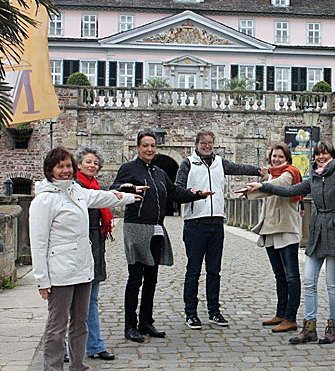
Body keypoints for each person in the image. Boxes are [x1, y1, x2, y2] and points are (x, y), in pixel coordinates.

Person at [29, 147, 140, 371]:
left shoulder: (77, 191)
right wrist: (42, 280)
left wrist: (130, 197)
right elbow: (38, 243)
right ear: (50, 169)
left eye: (68, 166)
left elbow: (102, 196)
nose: (65, 170)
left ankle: (78, 365)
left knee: (80, 323)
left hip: (82, 268)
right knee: (57, 326)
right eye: (60, 166)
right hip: (60, 272)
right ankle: (53, 367)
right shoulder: (44, 200)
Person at [244, 141, 335, 345]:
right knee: (309, 281)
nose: (321, 157)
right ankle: (309, 328)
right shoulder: (314, 176)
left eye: (325, 154)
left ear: (332, 155)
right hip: (317, 231)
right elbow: (291, 190)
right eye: (318, 154)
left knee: (332, 283)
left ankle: (333, 328)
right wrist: (262, 185)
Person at [111, 130, 212, 343]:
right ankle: (130, 325)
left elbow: (174, 192)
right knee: (135, 279)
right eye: (145, 145)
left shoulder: (158, 172)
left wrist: (196, 194)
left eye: (152, 146)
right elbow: (115, 189)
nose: (149, 149)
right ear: (138, 147)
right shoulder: (128, 169)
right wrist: (127, 188)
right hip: (137, 228)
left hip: (157, 228)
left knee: (152, 278)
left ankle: (146, 321)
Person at [176, 130, 264, 329]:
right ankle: (191, 313)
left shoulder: (219, 163)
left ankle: (214, 311)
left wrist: (258, 171)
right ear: (196, 144)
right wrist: (195, 194)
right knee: (193, 271)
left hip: (216, 223)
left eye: (210, 143)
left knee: (214, 271)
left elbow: (238, 168)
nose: (207, 146)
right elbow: (178, 190)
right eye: (203, 143)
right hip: (195, 223)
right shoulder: (188, 164)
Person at [240, 142, 303, 333]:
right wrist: (251, 190)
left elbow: (279, 185)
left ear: (287, 159)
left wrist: (261, 184)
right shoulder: (270, 177)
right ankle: (281, 313)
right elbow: (265, 190)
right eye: (274, 156)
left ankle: (291, 317)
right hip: (270, 230)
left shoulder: (290, 173)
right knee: (280, 276)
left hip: (286, 229)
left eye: (280, 157)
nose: (276, 159)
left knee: (291, 276)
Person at [72, 146, 116, 361]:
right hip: (78, 247)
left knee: (92, 299)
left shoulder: (96, 187)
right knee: (70, 301)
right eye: (88, 162)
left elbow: (110, 199)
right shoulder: (74, 187)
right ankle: (68, 347)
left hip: (95, 246)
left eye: (96, 163)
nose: (92, 166)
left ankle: (94, 345)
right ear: (78, 164)